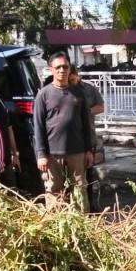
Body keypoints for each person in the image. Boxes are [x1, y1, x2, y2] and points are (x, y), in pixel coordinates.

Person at [32, 52, 93, 211]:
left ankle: (82, 226)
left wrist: (88, 150)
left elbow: (86, 124)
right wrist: (41, 155)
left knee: (79, 189)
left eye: (65, 67)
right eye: (58, 67)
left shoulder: (78, 93)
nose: (62, 70)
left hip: (77, 152)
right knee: (53, 191)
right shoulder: (43, 95)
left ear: (70, 69)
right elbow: (38, 127)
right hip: (52, 155)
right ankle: (56, 226)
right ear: (51, 69)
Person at [69, 66, 105, 213]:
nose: (71, 79)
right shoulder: (61, 90)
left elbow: (101, 107)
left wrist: (86, 112)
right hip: (68, 140)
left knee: (88, 174)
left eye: (72, 76)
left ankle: (90, 205)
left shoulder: (88, 89)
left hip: (88, 138)